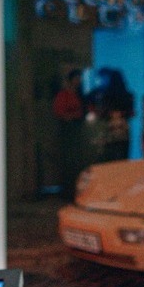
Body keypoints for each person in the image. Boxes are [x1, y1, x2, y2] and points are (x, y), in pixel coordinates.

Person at [52, 68, 86, 197]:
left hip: (78, 130)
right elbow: (59, 111)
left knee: (77, 160)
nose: (78, 81)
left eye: (80, 78)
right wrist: (70, 116)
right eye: (76, 78)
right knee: (68, 160)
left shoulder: (81, 95)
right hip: (67, 130)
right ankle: (67, 189)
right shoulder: (63, 95)